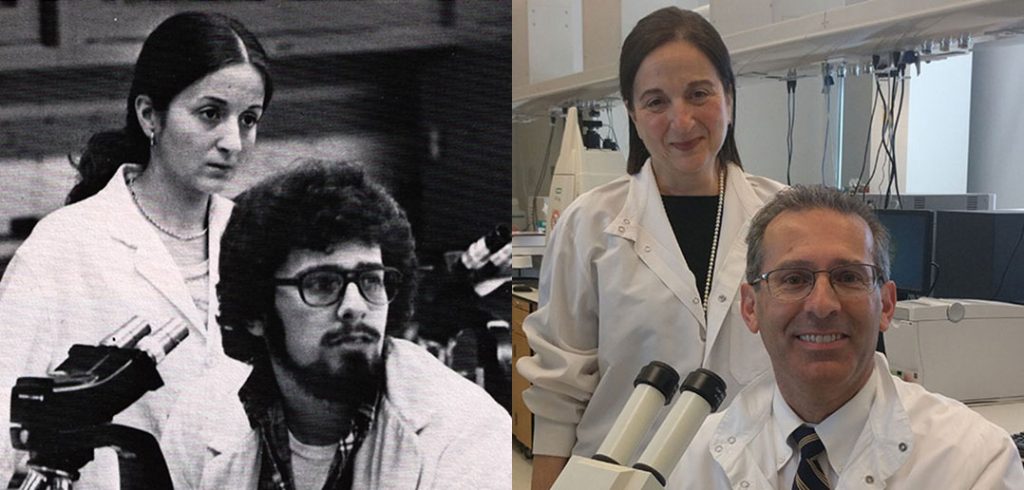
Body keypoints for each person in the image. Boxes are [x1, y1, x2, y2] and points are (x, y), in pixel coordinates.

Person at [516, 7, 786, 488]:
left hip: (751, 475)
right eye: (656, 102)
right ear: (633, 113)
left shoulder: (786, 219)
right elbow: (560, 394)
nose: (681, 120)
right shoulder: (590, 224)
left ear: (729, 96)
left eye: (699, 94)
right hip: (615, 473)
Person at [0, 11, 272, 488]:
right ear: (150, 114)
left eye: (248, 119)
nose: (233, 141)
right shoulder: (64, 246)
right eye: (211, 113)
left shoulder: (259, 237)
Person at [160, 160, 511, 489]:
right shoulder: (198, 420)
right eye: (322, 284)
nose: (355, 307)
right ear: (256, 311)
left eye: (372, 281)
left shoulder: (465, 430)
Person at [667, 185, 1024, 489]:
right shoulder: (694, 457)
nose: (822, 305)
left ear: (885, 305)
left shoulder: (974, 463)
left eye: (849, 277)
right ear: (750, 307)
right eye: (793, 279)